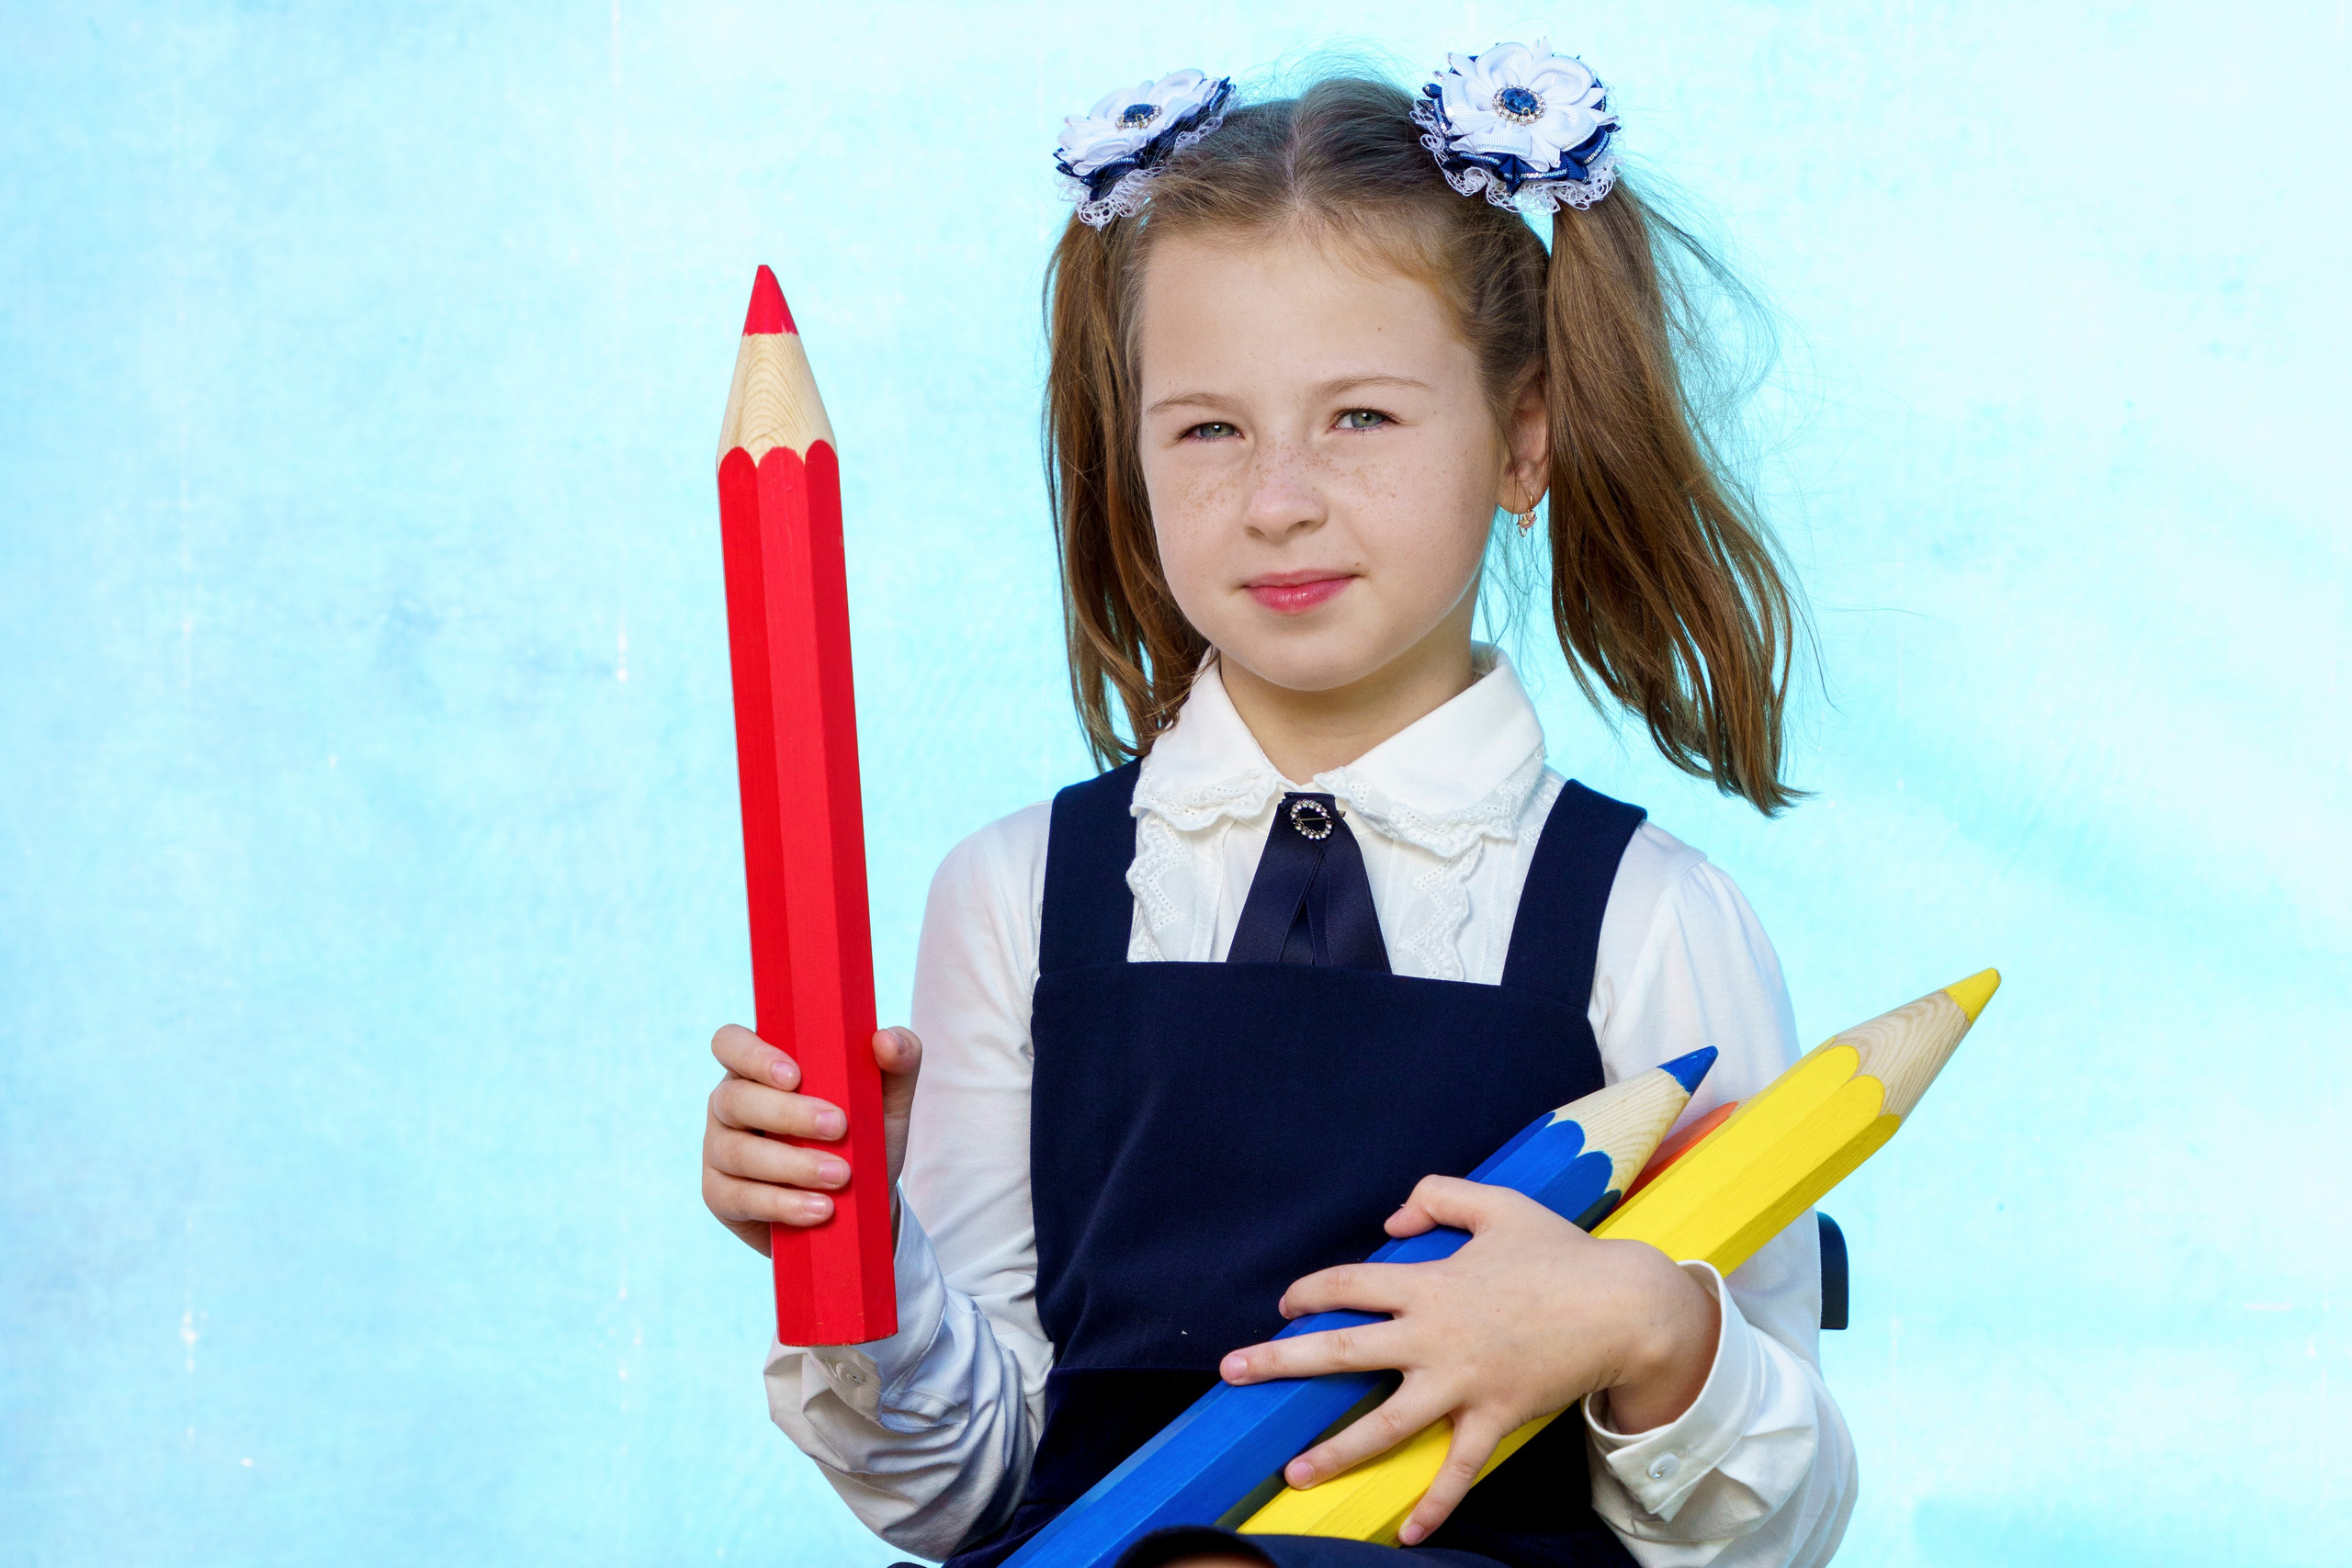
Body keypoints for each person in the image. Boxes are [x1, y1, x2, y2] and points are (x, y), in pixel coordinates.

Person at [701, 46, 1855, 1568]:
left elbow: (1776, 1536)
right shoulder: (1012, 896)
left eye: (1361, 418)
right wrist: (853, 1255)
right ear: (1131, 452)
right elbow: (971, 1494)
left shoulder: (1649, 917)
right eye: (1207, 428)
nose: (1278, 499)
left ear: (1524, 440)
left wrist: (1650, 1329)